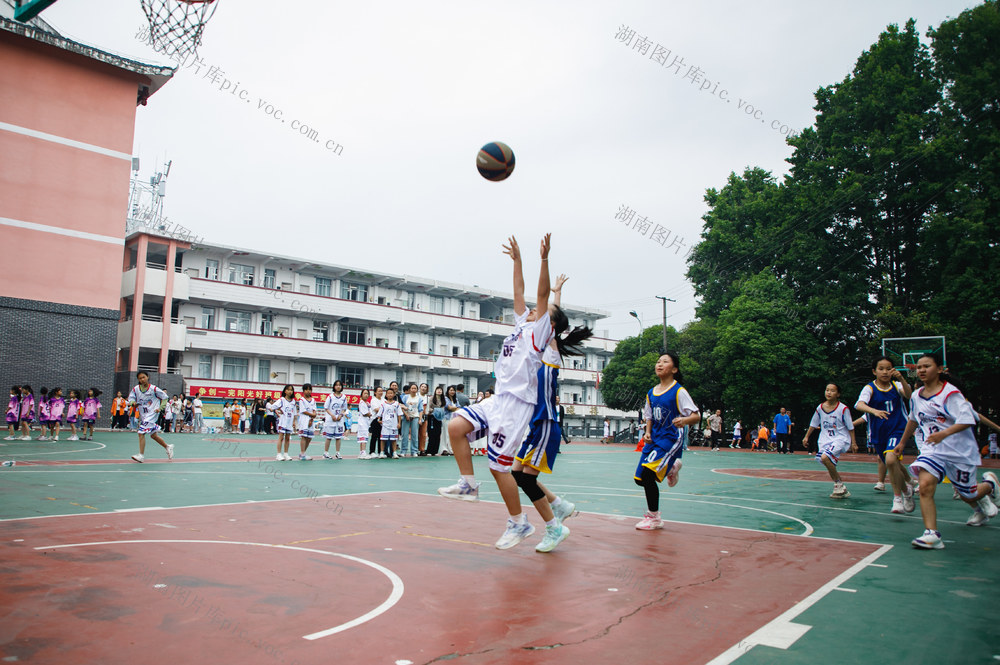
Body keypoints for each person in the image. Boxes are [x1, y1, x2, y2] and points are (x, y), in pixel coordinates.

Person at [439, 234, 562, 551]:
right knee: (455, 426)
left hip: (516, 406)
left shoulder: (538, 334)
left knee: (499, 467)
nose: (532, 308)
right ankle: (468, 484)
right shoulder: (522, 322)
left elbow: (542, 292)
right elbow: (519, 291)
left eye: (539, 309)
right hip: (496, 400)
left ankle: (519, 524)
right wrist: (517, 260)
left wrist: (544, 259)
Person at [512, 272, 589, 552]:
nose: (533, 311)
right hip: (535, 423)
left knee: (527, 479)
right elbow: (551, 315)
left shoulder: (550, 346)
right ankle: (559, 505)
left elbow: (551, 316)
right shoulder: (536, 342)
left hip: (545, 422)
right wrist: (556, 291)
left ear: (550, 324)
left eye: (539, 311)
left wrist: (554, 296)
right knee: (517, 475)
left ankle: (555, 527)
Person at [896, 354, 1000, 549]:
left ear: (940, 369)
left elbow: (968, 419)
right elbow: (913, 419)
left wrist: (944, 434)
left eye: (927, 366)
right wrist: (902, 442)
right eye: (919, 367)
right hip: (933, 449)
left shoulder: (950, 394)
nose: (922, 370)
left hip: (959, 451)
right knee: (925, 486)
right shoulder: (917, 396)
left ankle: (990, 486)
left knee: (968, 494)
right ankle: (931, 534)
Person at [634, 352, 701, 530]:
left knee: (648, 474)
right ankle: (671, 467)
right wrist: (647, 433)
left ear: (674, 369)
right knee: (640, 478)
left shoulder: (679, 391)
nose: (660, 364)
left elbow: (696, 416)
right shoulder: (651, 392)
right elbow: (649, 416)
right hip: (654, 438)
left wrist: (684, 421)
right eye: (658, 361)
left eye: (665, 362)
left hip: (671, 438)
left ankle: (654, 517)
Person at [855, 357, 915, 513]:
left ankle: (897, 499)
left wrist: (901, 377)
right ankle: (907, 491)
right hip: (878, 433)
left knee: (890, 459)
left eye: (888, 368)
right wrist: (874, 411)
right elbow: (859, 404)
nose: (885, 372)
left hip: (897, 429)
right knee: (893, 464)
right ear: (874, 371)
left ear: (893, 370)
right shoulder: (869, 388)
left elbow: (909, 395)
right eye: (881, 368)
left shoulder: (897, 385)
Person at [803, 383, 857, 498]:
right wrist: (806, 436)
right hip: (824, 440)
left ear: (838, 394)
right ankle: (839, 485)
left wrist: (854, 443)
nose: (829, 392)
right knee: (826, 461)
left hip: (840, 438)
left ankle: (839, 484)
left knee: (825, 457)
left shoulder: (843, 409)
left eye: (832, 391)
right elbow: (813, 424)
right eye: (827, 390)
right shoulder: (820, 408)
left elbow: (850, 427)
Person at [127, 371, 173, 462]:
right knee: (153, 435)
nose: (142, 379)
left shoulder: (154, 389)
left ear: (148, 377)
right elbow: (131, 398)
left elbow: (165, 397)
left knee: (141, 433)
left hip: (152, 413)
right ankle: (168, 447)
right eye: (140, 378)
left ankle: (141, 455)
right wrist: (133, 403)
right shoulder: (136, 389)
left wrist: (161, 408)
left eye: (143, 377)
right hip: (144, 415)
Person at [268, 385, 297, 461]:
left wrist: (294, 422)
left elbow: (294, 412)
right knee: (281, 437)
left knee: (287, 438)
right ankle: (278, 454)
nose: (290, 391)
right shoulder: (282, 400)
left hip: (289, 422)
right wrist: (273, 409)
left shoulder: (293, 401)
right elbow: (273, 407)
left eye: (291, 390)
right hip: (283, 421)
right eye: (288, 390)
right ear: (285, 391)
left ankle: (286, 453)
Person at [321, 380, 348, 460]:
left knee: (338, 437)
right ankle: (325, 453)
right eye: (336, 385)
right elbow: (326, 408)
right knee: (328, 437)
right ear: (334, 386)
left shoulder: (344, 397)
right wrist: (332, 415)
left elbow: (344, 408)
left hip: (339, 420)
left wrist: (341, 415)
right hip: (331, 420)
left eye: (340, 385)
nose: (338, 386)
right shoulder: (330, 397)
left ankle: (337, 453)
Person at [379, 387, 403, 459]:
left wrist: (399, 423)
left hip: (394, 424)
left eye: (391, 393)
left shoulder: (397, 404)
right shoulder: (383, 404)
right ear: (386, 395)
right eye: (388, 393)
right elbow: (379, 414)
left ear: (394, 394)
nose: (390, 395)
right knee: (383, 439)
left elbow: (399, 414)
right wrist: (379, 420)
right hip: (385, 425)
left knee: (393, 439)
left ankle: (394, 453)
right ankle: (382, 452)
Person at [296, 384, 317, 461]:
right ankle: (302, 453)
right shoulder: (301, 400)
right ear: (303, 391)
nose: (308, 391)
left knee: (309, 437)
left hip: (311, 419)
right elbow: (303, 411)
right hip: (304, 419)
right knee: (304, 436)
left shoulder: (313, 400)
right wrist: (312, 414)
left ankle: (303, 453)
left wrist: (313, 416)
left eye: (310, 389)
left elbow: (314, 409)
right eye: (306, 389)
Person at [401, 383, 423, 457]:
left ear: (417, 390)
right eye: (412, 388)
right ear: (410, 389)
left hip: (415, 418)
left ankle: (414, 451)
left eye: (415, 388)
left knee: (415, 435)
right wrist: (406, 414)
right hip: (406, 418)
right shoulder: (405, 397)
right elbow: (401, 406)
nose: (413, 390)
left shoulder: (419, 398)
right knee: (405, 435)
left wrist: (420, 419)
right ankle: (403, 451)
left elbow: (421, 410)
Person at [426, 385, 446, 457]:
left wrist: (440, 411)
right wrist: (435, 410)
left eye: (440, 390)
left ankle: (435, 451)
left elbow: (443, 408)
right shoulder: (431, 398)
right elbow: (429, 408)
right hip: (432, 417)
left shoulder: (443, 399)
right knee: (431, 434)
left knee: (438, 433)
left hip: (439, 418)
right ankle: (429, 450)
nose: (439, 391)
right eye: (438, 390)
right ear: (435, 391)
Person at [440, 385, 458, 456]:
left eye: (453, 390)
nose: (452, 392)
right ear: (447, 391)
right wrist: (454, 408)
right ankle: (444, 449)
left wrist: (454, 408)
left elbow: (459, 408)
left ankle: (451, 449)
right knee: (445, 434)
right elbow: (449, 407)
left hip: (454, 419)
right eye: (451, 390)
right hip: (446, 418)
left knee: (452, 434)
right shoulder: (445, 399)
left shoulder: (455, 399)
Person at [356, 389, 372, 459]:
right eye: (364, 393)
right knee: (363, 436)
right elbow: (365, 413)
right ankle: (363, 452)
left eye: (367, 393)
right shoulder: (362, 403)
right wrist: (369, 414)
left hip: (366, 422)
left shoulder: (367, 403)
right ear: (361, 395)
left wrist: (369, 414)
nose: (366, 395)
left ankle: (361, 452)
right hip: (362, 422)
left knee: (363, 436)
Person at [368, 386, 384, 458]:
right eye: (379, 391)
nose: (381, 392)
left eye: (381, 391)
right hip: (375, 420)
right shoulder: (373, 400)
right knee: (374, 436)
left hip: (383, 419)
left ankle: (380, 451)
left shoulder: (384, 400)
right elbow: (376, 409)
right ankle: (372, 451)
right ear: (375, 392)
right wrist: (384, 410)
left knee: (381, 436)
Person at [418, 383, 430, 455]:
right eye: (422, 386)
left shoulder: (428, 398)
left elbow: (428, 407)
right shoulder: (416, 396)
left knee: (423, 434)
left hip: (425, 416)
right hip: (417, 416)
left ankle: (422, 449)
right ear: (420, 388)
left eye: (425, 387)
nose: (423, 388)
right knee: (416, 434)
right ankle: (415, 449)